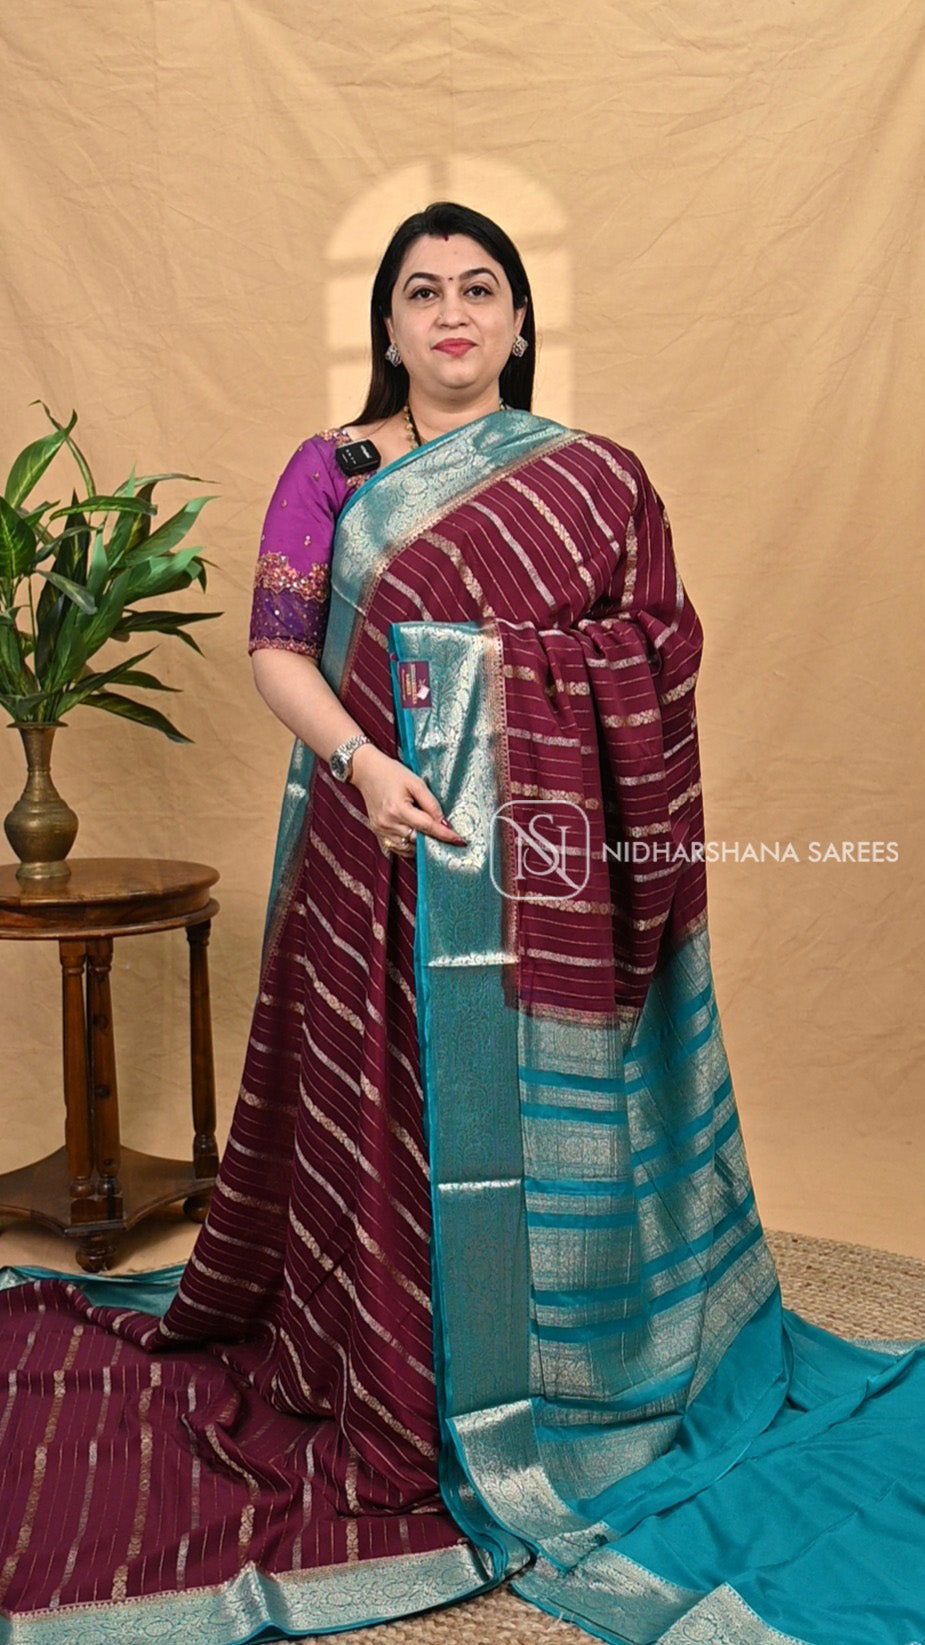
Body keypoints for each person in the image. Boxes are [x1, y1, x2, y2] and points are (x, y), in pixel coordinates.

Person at [0, 201, 922, 1645]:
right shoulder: (332, 472)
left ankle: (564, 1372)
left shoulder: (597, 478)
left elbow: (658, 649)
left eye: (478, 289)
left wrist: (498, 674)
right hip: (376, 850)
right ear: (386, 323)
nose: (450, 314)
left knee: (528, 1129)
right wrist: (367, 763)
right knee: (397, 1121)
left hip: (545, 878)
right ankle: (405, 1364)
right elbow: (277, 651)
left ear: (516, 318)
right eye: (421, 291)